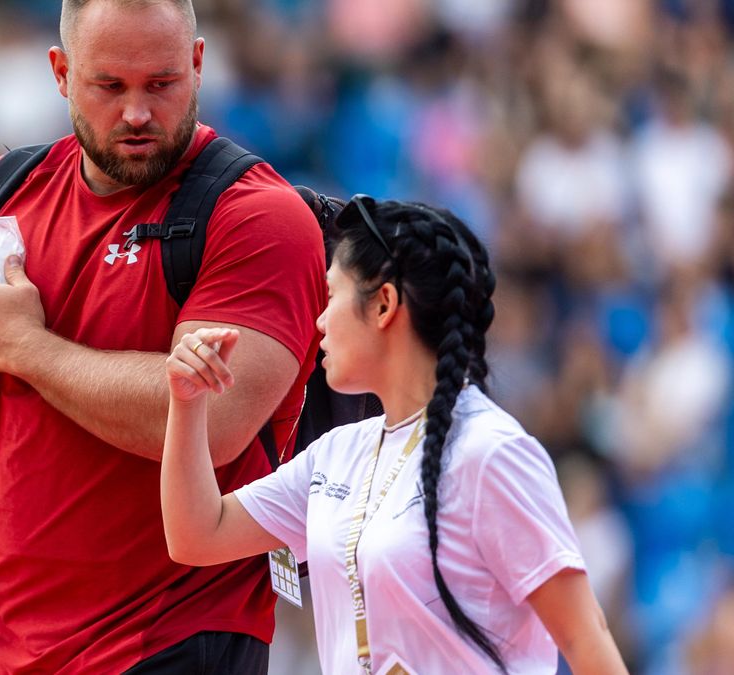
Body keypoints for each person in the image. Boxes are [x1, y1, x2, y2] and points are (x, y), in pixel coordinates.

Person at [0, 1, 327, 673]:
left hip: (169, 645)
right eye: (110, 85)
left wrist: (26, 349)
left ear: (197, 65)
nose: (137, 112)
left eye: (161, 84)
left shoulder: (257, 219)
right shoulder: (0, 195)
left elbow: (211, 424)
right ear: (62, 73)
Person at [161, 196, 628, 674]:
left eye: (330, 297)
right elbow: (197, 533)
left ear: (383, 304)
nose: (318, 322)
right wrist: (186, 400)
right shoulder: (337, 454)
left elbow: (585, 638)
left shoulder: (491, 453)